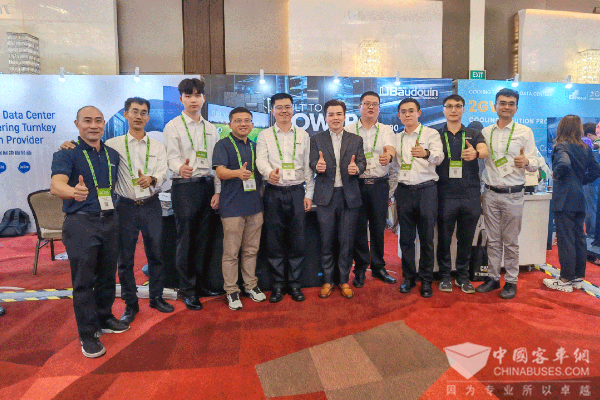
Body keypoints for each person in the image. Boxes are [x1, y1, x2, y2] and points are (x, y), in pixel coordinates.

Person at [60, 98, 175, 324]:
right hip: (124, 206)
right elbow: (89, 149)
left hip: (152, 205)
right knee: (125, 259)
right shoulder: (112, 145)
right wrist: (69, 145)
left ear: (148, 117)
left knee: (156, 255)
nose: (139, 116)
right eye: (135, 111)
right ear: (126, 114)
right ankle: (131, 304)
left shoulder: (158, 146)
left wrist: (152, 179)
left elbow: (164, 172)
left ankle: (156, 297)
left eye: (143, 112)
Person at [51, 106, 128, 359]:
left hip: (110, 221)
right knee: (83, 281)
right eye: (87, 121)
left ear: (104, 123)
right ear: (77, 124)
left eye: (98, 121)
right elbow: (56, 185)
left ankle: (105, 318)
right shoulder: (67, 153)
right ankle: (88, 333)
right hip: (81, 223)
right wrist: (73, 192)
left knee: (107, 276)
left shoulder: (112, 154)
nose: (93, 125)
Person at [163, 78, 221, 311]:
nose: (193, 100)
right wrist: (180, 168)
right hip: (185, 187)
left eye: (197, 95)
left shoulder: (211, 129)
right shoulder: (173, 126)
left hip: (207, 187)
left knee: (204, 240)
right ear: (181, 99)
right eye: (188, 96)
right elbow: (170, 157)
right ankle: (187, 290)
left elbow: (216, 164)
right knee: (186, 240)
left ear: (203, 98)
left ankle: (201, 285)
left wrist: (218, 190)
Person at [476, 88, 540, 299]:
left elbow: (536, 162)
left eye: (511, 104)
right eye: (502, 103)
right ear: (495, 106)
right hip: (490, 194)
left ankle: (511, 281)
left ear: (516, 108)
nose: (506, 107)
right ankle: (493, 278)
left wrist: (527, 162)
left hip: (514, 195)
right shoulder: (486, 132)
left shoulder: (525, 132)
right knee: (493, 240)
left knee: (510, 242)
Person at [256, 93, 314, 303]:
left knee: (297, 240)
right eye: (279, 107)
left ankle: (295, 284)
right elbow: (260, 160)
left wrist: (309, 193)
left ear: (293, 109)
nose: (283, 111)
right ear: (272, 110)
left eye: (287, 107)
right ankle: (278, 285)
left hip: (297, 192)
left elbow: (308, 167)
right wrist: (268, 173)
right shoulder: (265, 135)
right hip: (274, 192)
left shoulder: (303, 135)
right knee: (274, 240)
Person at [309, 99, 366, 299]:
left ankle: (343, 280)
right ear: (325, 117)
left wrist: (357, 168)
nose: (335, 118)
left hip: (349, 197)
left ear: (345, 116)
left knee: (346, 242)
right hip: (326, 197)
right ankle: (327, 281)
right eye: (331, 114)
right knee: (326, 241)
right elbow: (312, 161)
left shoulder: (355, 139)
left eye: (339, 114)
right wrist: (317, 166)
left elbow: (362, 162)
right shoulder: (316, 139)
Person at [389, 98, 444, 298]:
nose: (407, 114)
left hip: (426, 190)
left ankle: (426, 279)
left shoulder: (431, 134)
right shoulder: (396, 138)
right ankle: (409, 278)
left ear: (419, 113)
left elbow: (439, 157)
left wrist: (426, 153)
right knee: (406, 239)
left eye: (411, 111)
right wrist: (391, 192)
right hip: (404, 191)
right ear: (399, 115)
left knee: (427, 238)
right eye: (403, 111)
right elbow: (394, 168)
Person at [213, 107, 267, 310]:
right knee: (231, 253)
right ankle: (231, 290)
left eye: (247, 120)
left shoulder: (256, 146)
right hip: (232, 208)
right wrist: (237, 173)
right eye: (238, 120)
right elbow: (219, 171)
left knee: (252, 250)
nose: (243, 124)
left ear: (252, 124)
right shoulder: (223, 145)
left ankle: (250, 285)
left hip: (255, 207)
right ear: (230, 124)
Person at [436, 94, 488, 293]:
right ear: (443, 110)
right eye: (449, 106)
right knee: (444, 239)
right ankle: (444, 276)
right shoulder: (436, 134)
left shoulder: (473, 133)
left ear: (463, 109)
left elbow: (484, 150)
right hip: (444, 194)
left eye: (458, 106)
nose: (453, 110)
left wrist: (476, 153)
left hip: (470, 195)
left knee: (466, 239)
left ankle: (463, 277)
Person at [344, 91, 397, 288]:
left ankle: (378, 267)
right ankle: (359, 269)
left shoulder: (386, 129)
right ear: (360, 107)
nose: (371, 107)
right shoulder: (349, 129)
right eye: (367, 103)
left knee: (377, 227)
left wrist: (388, 157)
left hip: (378, 185)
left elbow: (391, 148)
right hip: (356, 184)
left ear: (379, 108)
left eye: (375, 104)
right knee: (358, 229)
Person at [544, 115, 600, 292]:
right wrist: (582, 180)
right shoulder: (585, 148)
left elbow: (563, 164)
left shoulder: (561, 146)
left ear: (561, 128)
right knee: (578, 237)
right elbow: (596, 170)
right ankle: (576, 276)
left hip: (564, 198)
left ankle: (566, 278)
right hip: (578, 196)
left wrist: (556, 175)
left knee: (566, 238)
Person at [582, 122, 599, 237]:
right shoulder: (592, 144)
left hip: (592, 180)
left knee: (590, 207)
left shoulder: (591, 145)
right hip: (594, 180)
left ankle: (592, 233)